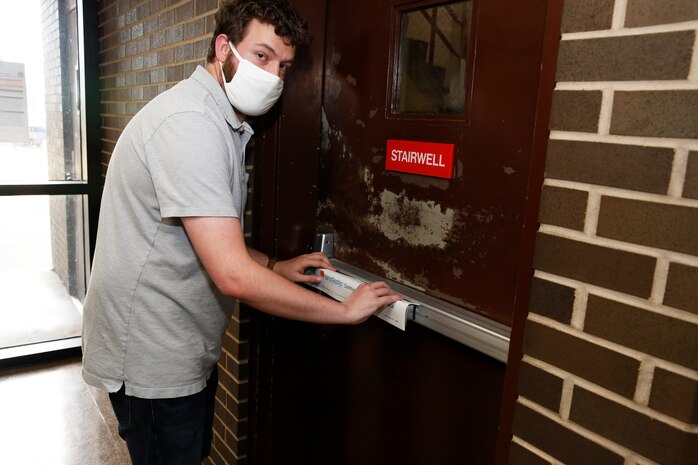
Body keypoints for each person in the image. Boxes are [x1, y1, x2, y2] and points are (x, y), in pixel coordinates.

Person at [81, 1, 401, 464]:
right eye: (262, 56)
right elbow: (231, 275)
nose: (274, 76)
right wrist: (344, 312)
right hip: (153, 357)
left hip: (179, 346)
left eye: (284, 66)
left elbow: (213, 242)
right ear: (223, 48)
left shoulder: (219, 122)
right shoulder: (191, 125)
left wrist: (275, 265)